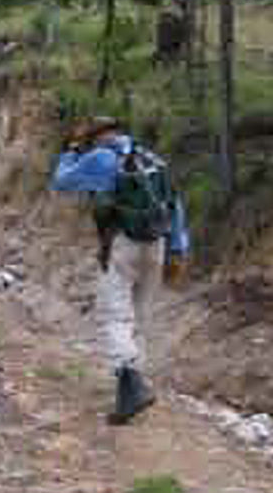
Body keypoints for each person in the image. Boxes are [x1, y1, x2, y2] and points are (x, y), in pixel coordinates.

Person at [51, 117, 189, 425]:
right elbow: (175, 204)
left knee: (113, 314)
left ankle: (130, 382)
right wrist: (178, 248)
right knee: (140, 314)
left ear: (97, 136)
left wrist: (71, 152)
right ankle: (133, 386)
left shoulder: (101, 157)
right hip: (157, 244)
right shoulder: (152, 158)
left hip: (122, 244)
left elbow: (60, 182)